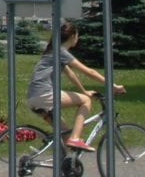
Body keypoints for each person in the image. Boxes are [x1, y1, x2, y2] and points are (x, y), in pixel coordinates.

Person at [25, 20, 125, 152]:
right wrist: (113, 85)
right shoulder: (60, 51)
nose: (78, 38)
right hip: (45, 94)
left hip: (33, 99)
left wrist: (84, 90)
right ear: (72, 36)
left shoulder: (52, 51)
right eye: (77, 35)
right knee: (85, 101)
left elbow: (71, 74)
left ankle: (66, 165)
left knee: (65, 133)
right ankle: (76, 138)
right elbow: (89, 71)